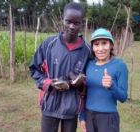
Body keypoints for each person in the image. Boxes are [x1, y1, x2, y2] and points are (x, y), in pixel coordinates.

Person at [29, 2, 91, 132]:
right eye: (68, 21)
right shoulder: (49, 44)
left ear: (82, 23)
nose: (72, 26)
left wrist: (80, 84)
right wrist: (49, 83)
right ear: (62, 20)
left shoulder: (87, 51)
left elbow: (90, 80)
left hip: (71, 109)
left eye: (76, 23)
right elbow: (34, 69)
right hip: (50, 105)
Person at [79, 28, 128, 132]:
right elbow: (85, 94)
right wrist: (82, 116)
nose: (100, 48)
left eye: (104, 43)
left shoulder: (120, 66)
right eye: (96, 44)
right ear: (92, 47)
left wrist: (112, 86)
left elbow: (123, 97)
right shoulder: (88, 65)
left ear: (111, 45)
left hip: (108, 119)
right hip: (89, 115)